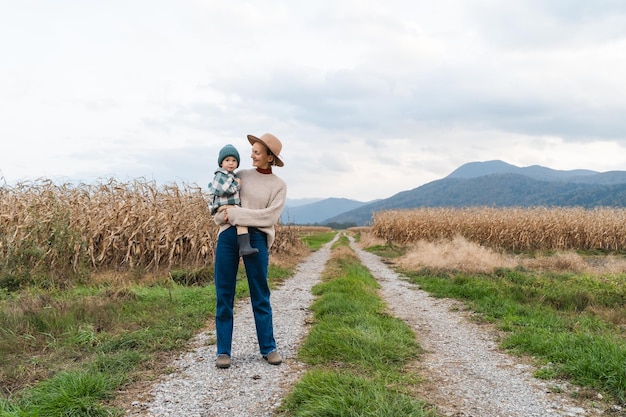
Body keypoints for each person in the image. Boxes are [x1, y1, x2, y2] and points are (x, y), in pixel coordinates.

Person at [212, 133, 287, 369]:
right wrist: (226, 216)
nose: (251, 155)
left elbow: (269, 217)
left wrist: (236, 215)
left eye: (256, 152)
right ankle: (223, 351)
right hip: (227, 236)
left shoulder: (278, 186)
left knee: (260, 294)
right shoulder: (238, 175)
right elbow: (218, 211)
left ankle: (268, 348)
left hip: (257, 238)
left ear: (269, 157)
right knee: (224, 294)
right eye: (252, 150)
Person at [208, 144, 258, 257]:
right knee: (241, 218)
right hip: (224, 205)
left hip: (229, 206)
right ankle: (244, 246)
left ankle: (244, 246)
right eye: (227, 160)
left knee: (240, 221)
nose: (231, 163)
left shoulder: (231, 176)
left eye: (234, 160)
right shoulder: (220, 175)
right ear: (221, 163)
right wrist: (237, 185)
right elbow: (219, 190)